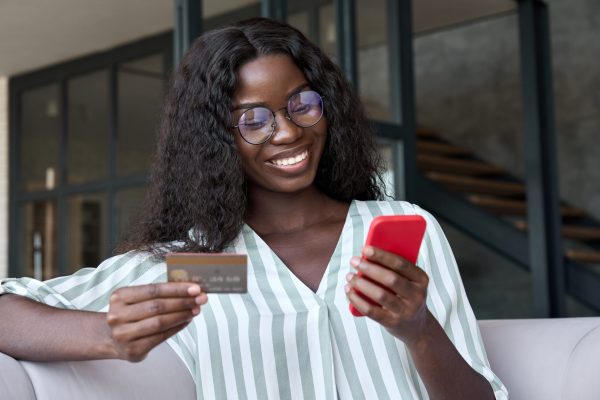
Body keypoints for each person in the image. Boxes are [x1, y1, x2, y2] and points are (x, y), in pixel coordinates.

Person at [0, 18, 508, 400]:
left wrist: (419, 332)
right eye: (254, 119)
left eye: (301, 105)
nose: (287, 132)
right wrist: (105, 334)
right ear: (215, 139)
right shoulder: (210, 265)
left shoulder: (400, 230)